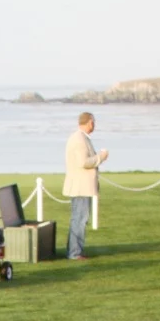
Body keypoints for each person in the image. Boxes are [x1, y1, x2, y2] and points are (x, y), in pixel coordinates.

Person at [63, 112, 108, 261]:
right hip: (80, 187)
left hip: (81, 186)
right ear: (89, 123)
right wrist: (101, 157)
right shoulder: (79, 139)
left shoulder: (80, 138)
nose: (94, 125)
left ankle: (74, 250)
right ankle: (75, 253)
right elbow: (84, 162)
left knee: (78, 218)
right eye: (93, 122)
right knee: (80, 219)